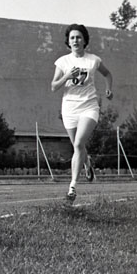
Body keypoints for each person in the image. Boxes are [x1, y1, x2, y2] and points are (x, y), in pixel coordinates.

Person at [50, 23, 113, 204]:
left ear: (84, 40)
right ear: (68, 42)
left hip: (89, 106)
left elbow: (108, 74)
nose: (75, 40)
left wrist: (109, 89)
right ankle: (87, 162)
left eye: (78, 37)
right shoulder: (63, 62)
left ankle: (72, 187)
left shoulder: (93, 60)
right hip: (69, 108)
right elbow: (53, 86)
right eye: (72, 38)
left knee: (78, 144)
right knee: (78, 146)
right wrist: (67, 76)